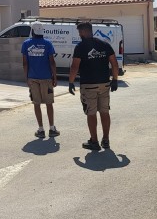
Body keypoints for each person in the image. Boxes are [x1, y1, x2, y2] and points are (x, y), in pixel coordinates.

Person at [68, 22, 118, 151]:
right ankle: (106, 140)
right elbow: (114, 63)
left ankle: (94, 141)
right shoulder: (104, 45)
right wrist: (115, 80)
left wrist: (71, 82)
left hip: (88, 85)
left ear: (84, 32)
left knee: (91, 113)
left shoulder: (80, 47)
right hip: (104, 85)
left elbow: (75, 66)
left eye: (80, 32)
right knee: (105, 112)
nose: (79, 35)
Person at [21, 22, 60, 138]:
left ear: (32, 31)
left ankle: (41, 129)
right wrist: (55, 77)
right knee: (49, 103)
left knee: (36, 104)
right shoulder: (47, 44)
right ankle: (52, 128)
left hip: (33, 78)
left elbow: (24, 63)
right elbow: (52, 62)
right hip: (47, 78)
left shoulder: (26, 44)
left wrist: (26, 78)